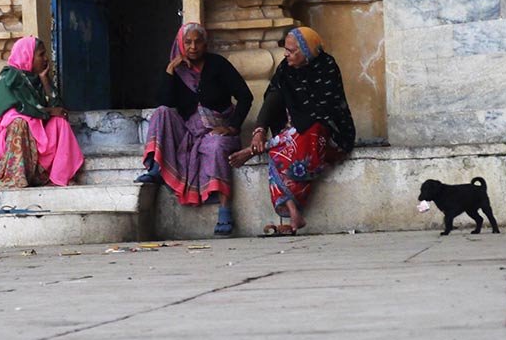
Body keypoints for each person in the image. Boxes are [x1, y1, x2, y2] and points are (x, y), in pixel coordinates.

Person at [228, 27, 355, 234]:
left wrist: (270, 140)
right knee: (281, 152)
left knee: (301, 138)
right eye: (285, 49)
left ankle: (256, 150)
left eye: (292, 50)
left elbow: (321, 112)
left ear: (307, 51)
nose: (286, 54)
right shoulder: (286, 68)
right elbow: (273, 97)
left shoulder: (326, 66)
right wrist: (259, 130)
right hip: (295, 132)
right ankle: (293, 211)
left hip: (330, 133)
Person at [136, 22, 253, 236]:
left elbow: (245, 96)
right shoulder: (177, 71)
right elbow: (166, 101)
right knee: (162, 112)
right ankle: (156, 168)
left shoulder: (218, 65)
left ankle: (225, 211)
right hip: (189, 131)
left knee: (216, 146)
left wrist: (232, 127)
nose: (193, 47)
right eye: (188, 42)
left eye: (198, 41)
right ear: (181, 43)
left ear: (205, 43)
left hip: (216, 130)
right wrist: (170, 71)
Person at [0, 36, 84, 188]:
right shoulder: (8, 78)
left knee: (59, 122)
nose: (45, 59)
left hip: (36, 135)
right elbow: (18, 109)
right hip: (7, 138)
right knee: (19, 122)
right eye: (41, 55)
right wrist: (48, 112)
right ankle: (15, 178)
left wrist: (45, 80)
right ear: (27, 55)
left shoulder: (36, 80)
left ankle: (57, 177)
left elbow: (59, 108)